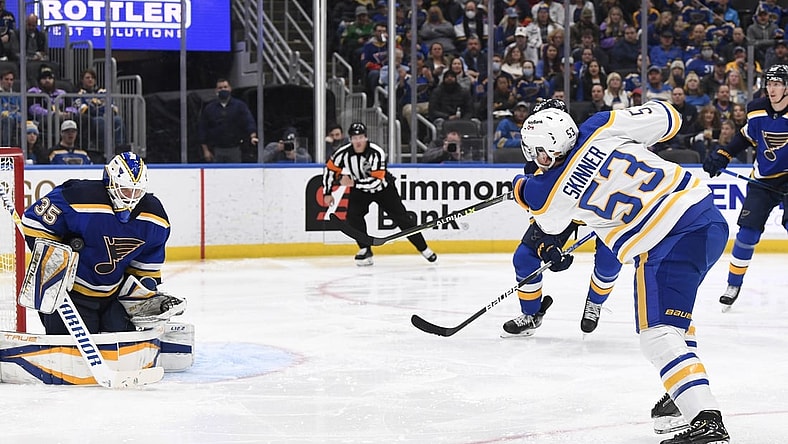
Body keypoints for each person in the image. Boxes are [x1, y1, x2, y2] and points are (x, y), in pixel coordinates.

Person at [517, 101, 730, 443]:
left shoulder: (545, 189)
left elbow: (548, 221)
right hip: (707, 219)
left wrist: (522, 185)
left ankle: (706, 420)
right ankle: (683, 398)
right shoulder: (601, 124)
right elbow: (670, 118)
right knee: (674, 324)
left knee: (657, 335)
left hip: (665, 242)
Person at [20, 152, 183, 334]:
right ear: (110, 182)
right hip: (70, 295)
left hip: (113, 297)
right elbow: (33, 222)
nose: (131, 197)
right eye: (125, 189)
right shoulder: (78, 196)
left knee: (121, 343)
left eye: (137, 191)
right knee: (70, 346)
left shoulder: (155, 217)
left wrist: (144, 293)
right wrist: (58, 260)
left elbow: (146, 267)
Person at [503, 98, 622, 337]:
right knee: (525, 256)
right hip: (567, 211)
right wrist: (546, 244)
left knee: (610, 258)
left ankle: (595, 303)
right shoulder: (540, 157)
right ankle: (531, 313)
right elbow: (540, 207)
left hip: (603, 208)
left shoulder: (592, 147)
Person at [702, 64, 788, 309]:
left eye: (777, 84)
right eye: (769, 83)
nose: (771, 89)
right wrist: (723, 154)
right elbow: (745, 137)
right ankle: (733, 283)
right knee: (747, 233)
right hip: (762, 179)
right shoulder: (756, 110)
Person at [322, 122, 437, 266]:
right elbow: (330, 170)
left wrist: (354, 184)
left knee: (403, 219)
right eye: (354, 138)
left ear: (366, 138)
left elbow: (376, 182)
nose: (358, 141)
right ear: (350, 139)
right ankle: (365, 249)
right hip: (360, 189)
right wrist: (327, 192)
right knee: (353, 216)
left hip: (384, 189)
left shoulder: (376, 152)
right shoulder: (343, 153)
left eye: (361, 137)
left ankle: (424, 248)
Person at [198, 78, 258, 163]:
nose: (223, 89)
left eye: (225, 87)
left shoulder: (240, 106)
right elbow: (203, 129)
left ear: (230, 89)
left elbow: (248, 121)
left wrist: (253, 136)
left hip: (236, 148)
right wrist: (205, 150)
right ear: (216, 90)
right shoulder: (209, 108)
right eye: (220, 88)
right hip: (216, 150)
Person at [73, 68, 125, 150]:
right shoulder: (78, 93)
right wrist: (102, 109)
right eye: (87, 77)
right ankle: (105, 149)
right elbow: (84, 109)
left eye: (92, 78)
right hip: (91, 119)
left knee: (118, 119)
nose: (90, 79)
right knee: (100, 120)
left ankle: (119, 148)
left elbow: (113, 108)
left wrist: (97, 109)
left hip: (106, 116)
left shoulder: (103, 92)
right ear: (82, 80)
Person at [0, 68, 20, 146]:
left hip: (14, 119)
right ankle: (6, 148)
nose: (9, 82)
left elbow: (21, 112)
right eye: (6, 79)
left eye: (11, 80)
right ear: (0, 81)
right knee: (8, 120)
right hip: (3, 121)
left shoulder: (16, 95)